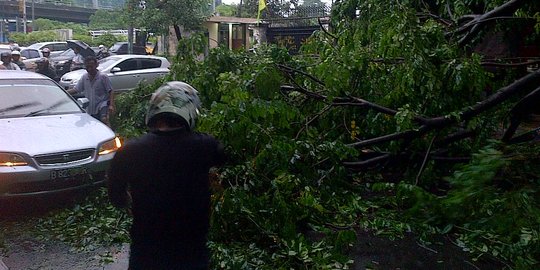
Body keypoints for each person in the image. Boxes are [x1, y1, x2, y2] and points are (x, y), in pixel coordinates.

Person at [108, 81, 226, 270]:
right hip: (191, 250)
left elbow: (116, 196)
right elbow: (225, 161)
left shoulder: (130, 151)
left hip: (146, 251)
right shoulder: (206, 146)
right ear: (190, 111)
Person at [68, 56, 115, 124]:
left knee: (104, 120)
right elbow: (76, 89)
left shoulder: (103, 77)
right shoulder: (84, 77)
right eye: (87, 67)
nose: (89, 69)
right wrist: (63, 93)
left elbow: (111, 91)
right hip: (90, 107)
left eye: (91, 67)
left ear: (96, 65)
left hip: (102, 105)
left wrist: (111, 105)